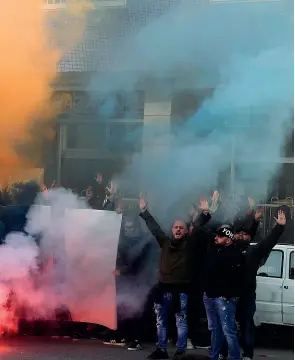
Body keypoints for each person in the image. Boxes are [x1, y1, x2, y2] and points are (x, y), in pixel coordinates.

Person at [139, 194, 209, 360]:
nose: (178, 230)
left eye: (181, 228)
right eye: (175, 227)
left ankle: (180, 351)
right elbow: (154, 228)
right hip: (163, 288)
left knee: (181, 321)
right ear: (172, 230)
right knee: (160, 320)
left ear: (185, 231)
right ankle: (161, 349)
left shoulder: (189, 245)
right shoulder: (164, 242)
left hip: (181, 290)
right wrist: (144, 211)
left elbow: (198, 228)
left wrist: (205, 213)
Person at [219, 209, 286, 360]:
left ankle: (248, 355)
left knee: (247, 325)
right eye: (239, 233)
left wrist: (279, 227)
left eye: (245, 233)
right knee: (226, 325)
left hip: (247, 295)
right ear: (233, 236)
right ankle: (223, 353)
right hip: (229, 295)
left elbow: (267, 243)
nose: (242, 235)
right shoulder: (227, 249)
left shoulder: (254, 251)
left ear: (250, 236)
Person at [202, 224, 245, 360]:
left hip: (224, 298)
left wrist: (227, 293)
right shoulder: (215, 250)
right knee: (215, 330)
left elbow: (237, 278)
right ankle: (214, 356)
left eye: (220, 236)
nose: (216, 238)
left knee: (228, 331)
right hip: (210, 295)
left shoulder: (235, 254)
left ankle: (234, 357)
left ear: (228, 239)